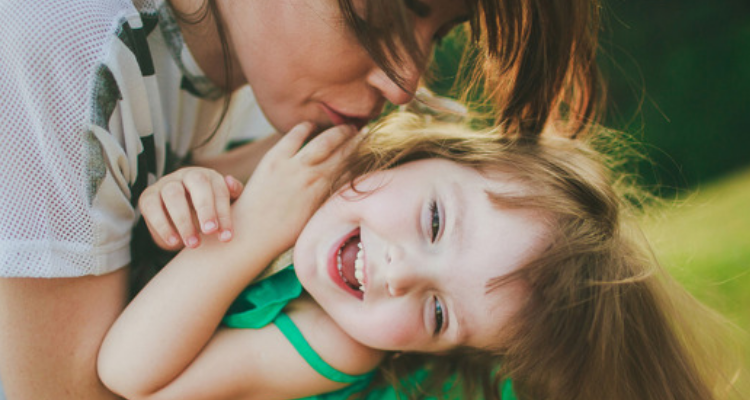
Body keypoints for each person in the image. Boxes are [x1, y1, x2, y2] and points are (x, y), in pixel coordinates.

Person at [0, 0, 603, 398]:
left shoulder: (288, 115)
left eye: (440, 32)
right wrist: (192, 199)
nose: (405, 84)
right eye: (392, 8)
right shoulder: (62, 53)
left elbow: (125, 374)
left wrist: (222, 214)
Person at [98, 112, 743, 400]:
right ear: (432, 154)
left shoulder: (339, 343)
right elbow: (188, 182)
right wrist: (185, 193)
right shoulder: (332, 158)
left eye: (437, 313)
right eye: (435, 221)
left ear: (424, 349)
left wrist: (253, 230)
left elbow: (129, 375)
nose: (402, 273)